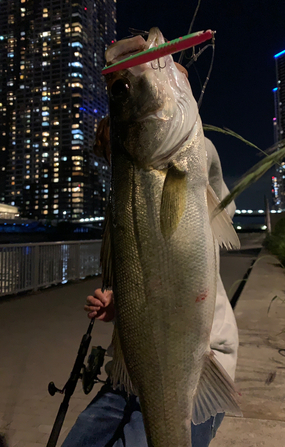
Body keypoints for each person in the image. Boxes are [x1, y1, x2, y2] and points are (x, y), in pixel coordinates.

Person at [61, 133, 239, 447]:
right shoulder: (126, 213)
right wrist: (119, 309)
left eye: (121, 152)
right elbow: (148, 294)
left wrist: (178, 139)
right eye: (113, 160)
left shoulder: (196, 191)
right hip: (134, 371)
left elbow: (207, 168)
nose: (120, 163)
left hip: (197, 369)